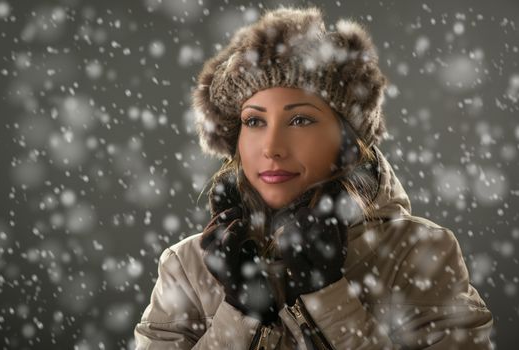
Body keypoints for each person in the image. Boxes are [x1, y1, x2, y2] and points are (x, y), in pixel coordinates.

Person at [134, 7, 493, 349]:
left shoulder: (417, 252)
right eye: (255, 121)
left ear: (347, 140)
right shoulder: (187, 265)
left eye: (300, 120)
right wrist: (240, 312)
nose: (272, 148)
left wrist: (328, 296)